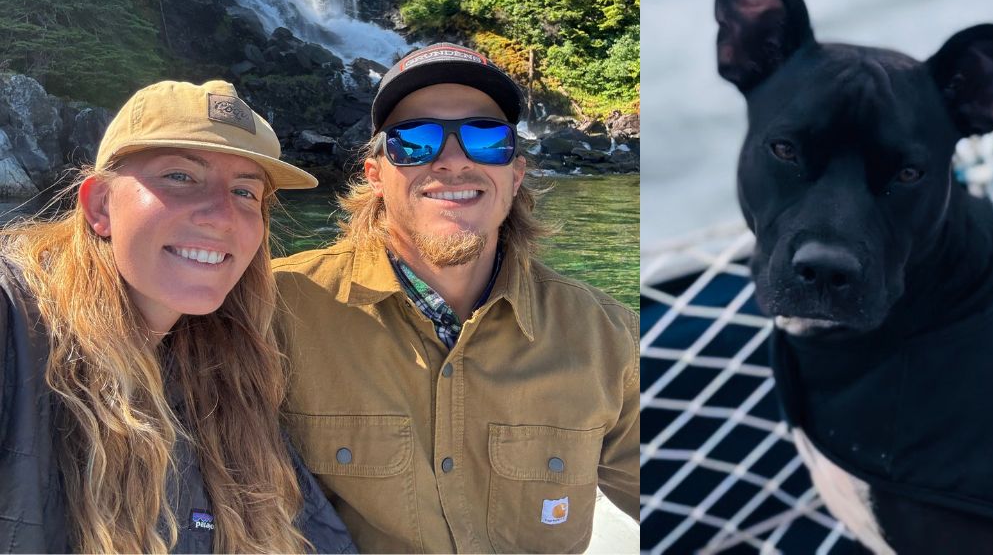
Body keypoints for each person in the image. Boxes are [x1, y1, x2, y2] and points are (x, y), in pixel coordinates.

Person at [275, 43, 639, 553]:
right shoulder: (277, 308)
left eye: (485, 138)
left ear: (515, 175)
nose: (452, 161)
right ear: (376, 175)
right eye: (416, 141)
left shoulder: (610, 338)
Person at [0, 80, 356, 553]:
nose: (222, 215)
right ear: (100, 205)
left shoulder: (228, 374)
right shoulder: (16, 323)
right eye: (180, 177)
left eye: (245, 192)